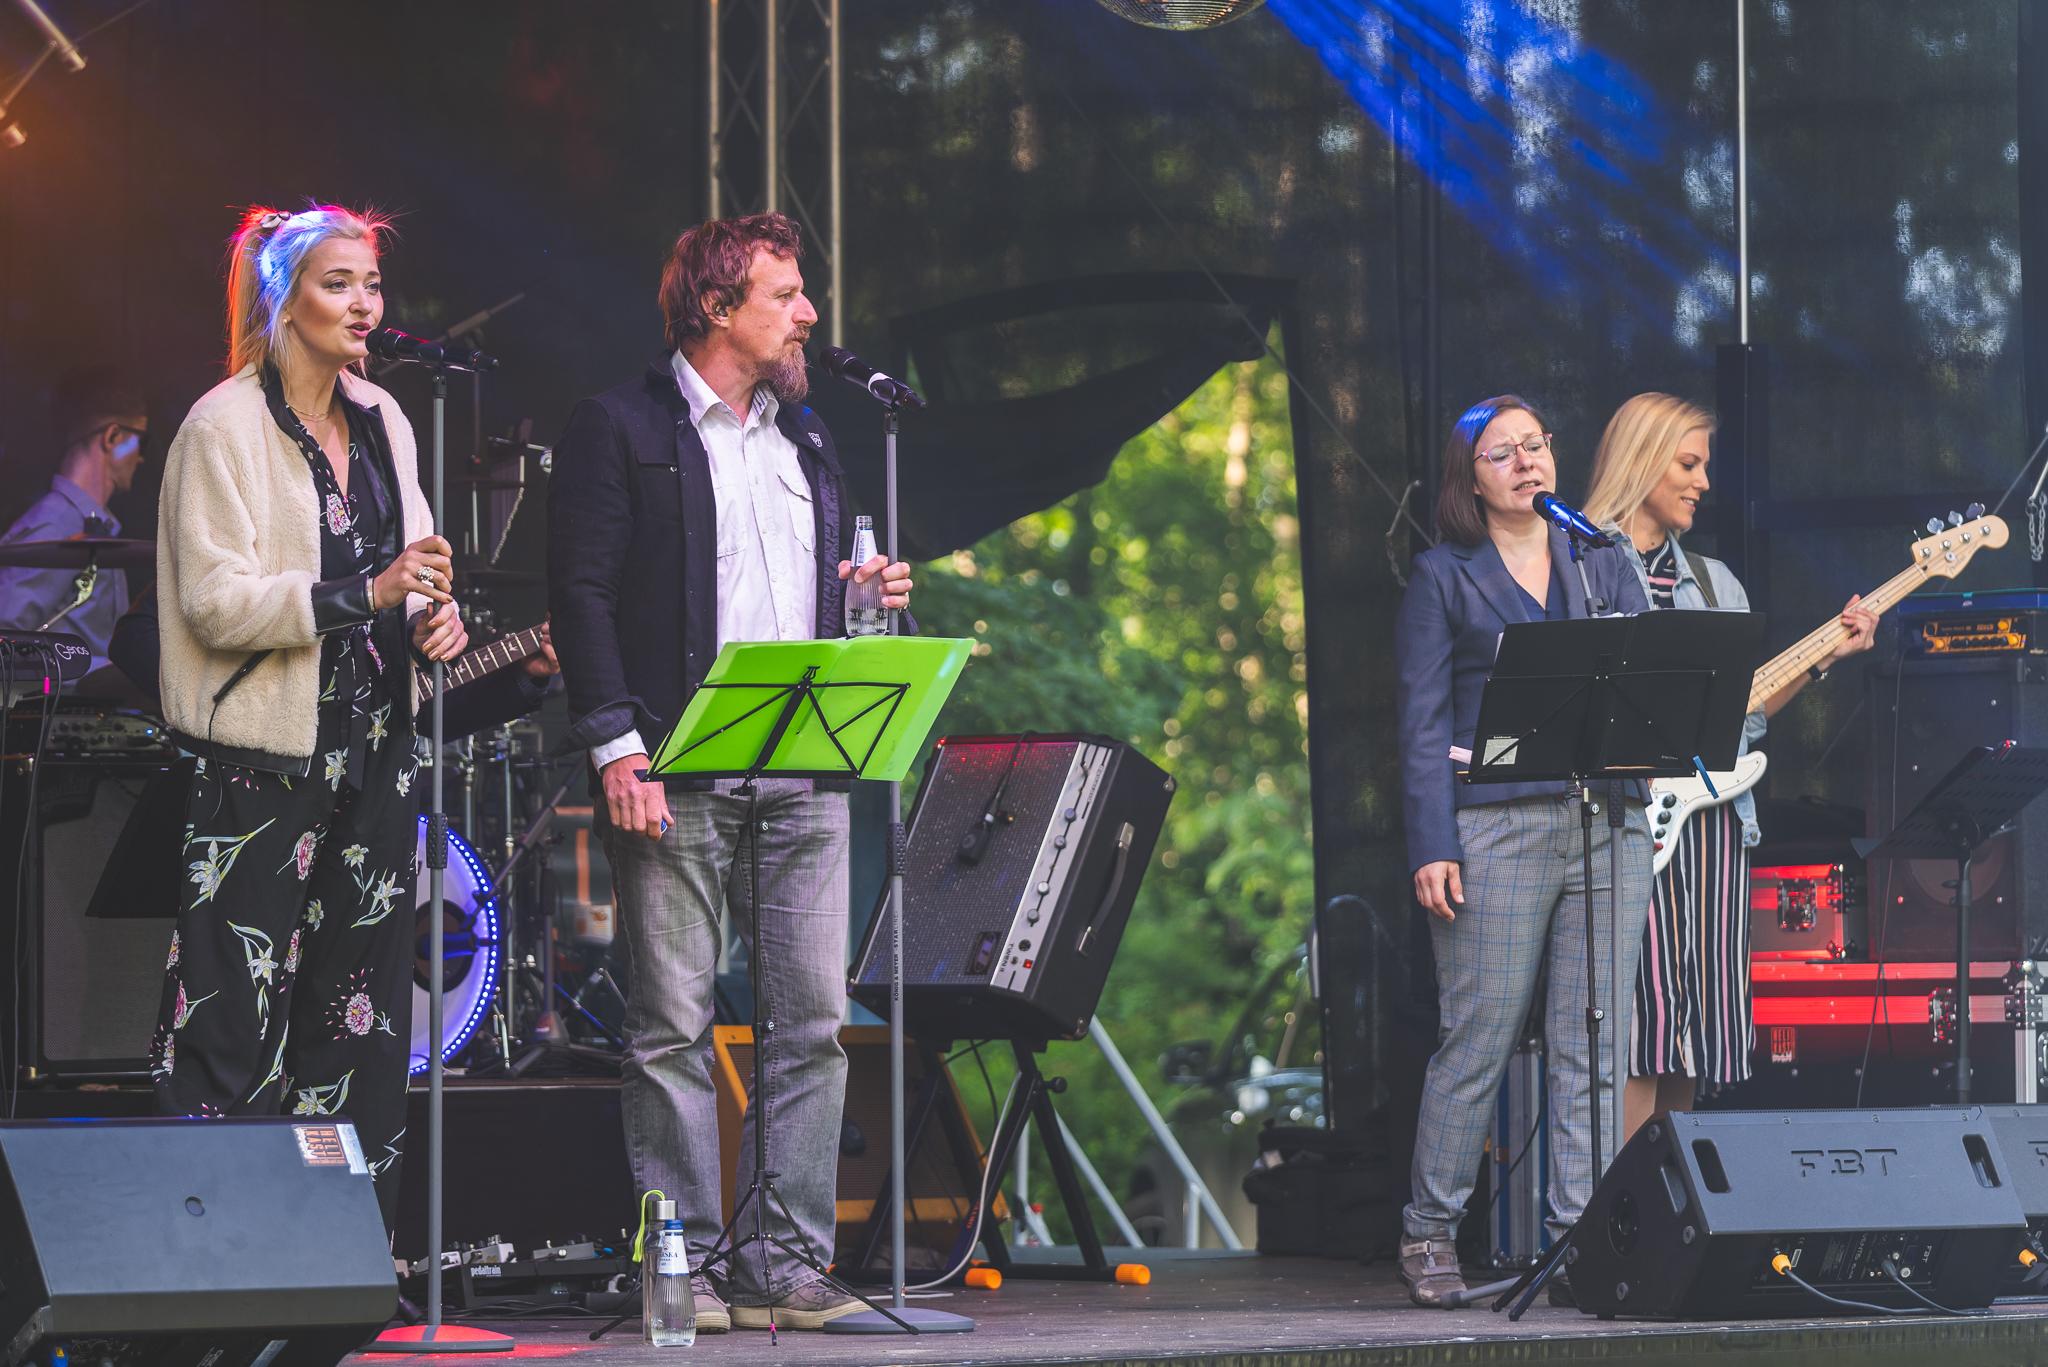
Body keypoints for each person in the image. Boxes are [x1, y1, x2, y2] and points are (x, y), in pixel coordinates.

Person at [549, 211, 912, 1334]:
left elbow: (810, 602)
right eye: (785, 294)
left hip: (801, 768)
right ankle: (687, 1265)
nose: (809, 314)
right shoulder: (620, 425)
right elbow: (581, 593)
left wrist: (863, 604)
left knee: (811, 1022)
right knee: (671, 1024)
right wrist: (617, 744)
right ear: (718, 307)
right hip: (674, 765)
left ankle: (784, 1263)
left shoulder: (807, 436)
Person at [149, 204, 469, 1230]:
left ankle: (341, 1252)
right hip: (264, 751)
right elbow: (213, 600)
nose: (365, 303)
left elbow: (409, 573)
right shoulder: (222, 425)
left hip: (376, 747)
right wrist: (364, 593)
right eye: (339, 283)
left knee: (359, 1012)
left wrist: (432, 616)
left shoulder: (384, 418)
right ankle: (211, 1252)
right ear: (282, 300)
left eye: (371, 282)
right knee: (231, 1010)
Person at [1394, 394, 1654, 1309]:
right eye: (1501, 453)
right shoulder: (1442, 575)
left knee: (1596, 1039)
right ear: (1470, 480)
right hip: (1495, 827)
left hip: (1607, 820)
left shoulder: (1601, 557)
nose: (1525, 462)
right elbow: (1421, 723)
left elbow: (1648, 677)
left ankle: (1581, 1236)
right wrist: (1432, 842)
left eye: (1535, 445)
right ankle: (1430, 1229)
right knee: (1480, 1035)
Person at [1580, 392, 1876, 1138]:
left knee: (1692, 1035)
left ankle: (1664, 1190)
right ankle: (1618, 1201)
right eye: (1688, 463)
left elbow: (1744, 714)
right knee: (1640, 1031)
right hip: (1621, 827)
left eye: (1704, 465)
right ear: (1642, 460)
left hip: (1710, 832)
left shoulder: (1715, 583)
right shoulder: (1576, 568)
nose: (1704, 482)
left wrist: (1823, 660)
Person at [0, 367, 149, 667]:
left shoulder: (89, 522)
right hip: (61, 697)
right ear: (112, 436)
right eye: (140, 441)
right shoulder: (54, 523)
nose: (141, 457)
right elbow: (6, 635)